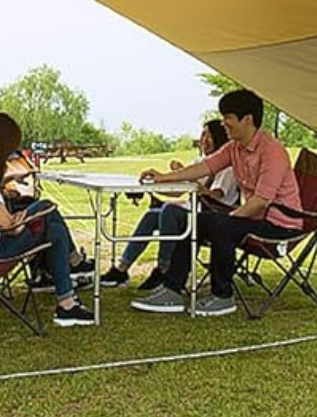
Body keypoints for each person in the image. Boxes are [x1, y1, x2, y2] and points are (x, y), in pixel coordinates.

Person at [132, 89, 302, 317]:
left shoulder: (273, 151)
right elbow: (204, 167)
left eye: (228, 118)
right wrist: (163, 177)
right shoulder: (234, 148)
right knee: (193, 221)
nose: (223, 124)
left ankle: (223, 297)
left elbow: (261, 202)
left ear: (248, 119)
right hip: (254, 219)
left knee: (220, 224)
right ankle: (171, 291)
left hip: (280, 226)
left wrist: (227, 218)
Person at [0, 111, 96, 327]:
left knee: (52, 228)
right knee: (47, 208)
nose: (10, 156)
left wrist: (12, 213)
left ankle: (67, 300)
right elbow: (7, 226)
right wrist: (17, 223)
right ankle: (73, 270)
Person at [99, 120, 238, 290]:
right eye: (202, 134)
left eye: (209, 135)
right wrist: (150, 187)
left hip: (213, 218)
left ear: (220, 138)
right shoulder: (201, 162)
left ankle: (164, 268)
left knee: (170, 210)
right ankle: (122, 269)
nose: (204, 139)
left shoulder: (227, 168)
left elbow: (216, 196)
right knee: (152, 215)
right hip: (193, 213)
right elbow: (177, 191)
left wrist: (190, 180)